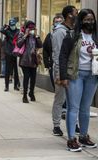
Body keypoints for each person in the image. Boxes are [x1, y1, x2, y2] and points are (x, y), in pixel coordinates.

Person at [59, 8, 98, 152]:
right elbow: (62, 56)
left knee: (85, 108)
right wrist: (63, 77)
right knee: (73, 108)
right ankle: (71, 139)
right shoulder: (72, 36)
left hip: (92, 76)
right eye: (87, 19)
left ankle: (83, 136)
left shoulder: (96, 36)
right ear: (81, 21)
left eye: (92, 19)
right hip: (75, 75)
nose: (90, 22)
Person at [51, 5, 78, 136]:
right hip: (61, 70)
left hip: (72, 71)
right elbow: (56, 54)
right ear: (69, 15)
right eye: (75, 13)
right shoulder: (59, 32)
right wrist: (58, 75)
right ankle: (56, 125)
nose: (77, 15)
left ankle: (75, 124)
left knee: (74, 101)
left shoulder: (74, 31)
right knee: (60, 99)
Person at [17, 20, 42, 103]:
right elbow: (19, 44)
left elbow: (40, 45)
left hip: (33, 60)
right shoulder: (21, 34)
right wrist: (25, 35)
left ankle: (31, 92)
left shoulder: (35, 36)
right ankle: (24, 95)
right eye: (29, 28)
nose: (31, 30)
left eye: (32, 28)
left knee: (33, 78)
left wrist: (36, 36)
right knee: (26, 77)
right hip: (25, 60)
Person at [0, 18, 20, 91]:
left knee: (16, 71)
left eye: (13, 25)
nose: (12, 26)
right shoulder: (7, 31)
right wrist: (5, 26)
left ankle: (16, 85)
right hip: (9, 52)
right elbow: (1, 30)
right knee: (7, 70)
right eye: (11, 25)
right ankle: (6, 86)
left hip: (16, 53)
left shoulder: (18, 31)